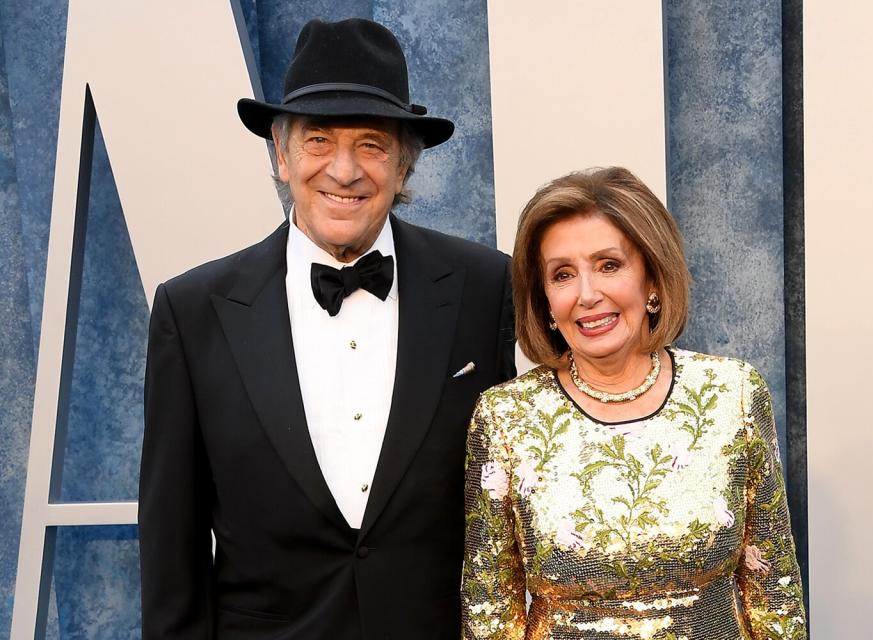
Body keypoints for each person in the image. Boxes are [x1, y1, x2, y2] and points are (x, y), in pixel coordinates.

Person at [139, 17, 515, 640]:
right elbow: (171, 544)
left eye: (371, 144)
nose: (344, 170)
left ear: (403, 168)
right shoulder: (193, 310)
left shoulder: (484, 286)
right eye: (318, 141)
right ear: (282, 157)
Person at [461, 167, 806, 639]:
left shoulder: (734, 394)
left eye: (609, 265)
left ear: (652, 281)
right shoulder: (506, 417)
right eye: (563, 275)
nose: (587, 295)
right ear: (544, 301)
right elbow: (489, 612)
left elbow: (774, 591)